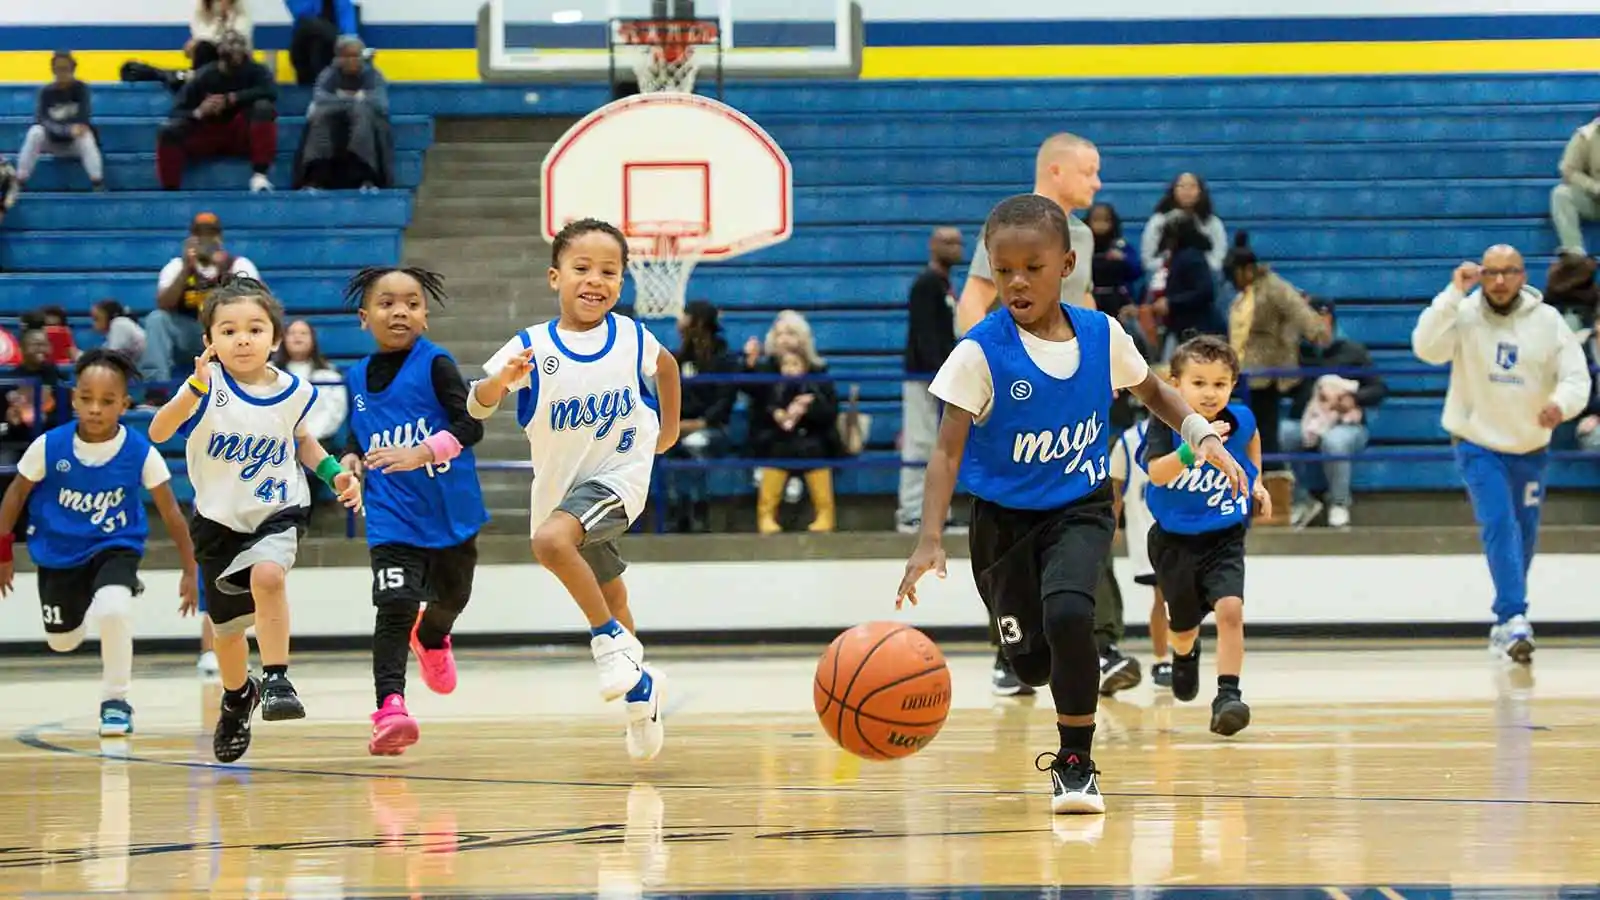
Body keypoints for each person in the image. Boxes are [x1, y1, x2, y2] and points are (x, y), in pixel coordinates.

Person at [896, 194, 1246, 815]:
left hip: (1080, 506)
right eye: (1003, 270)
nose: (1017, 281)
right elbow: (946, 454)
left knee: (1069, 616)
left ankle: (1076, 762)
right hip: (1002, 523)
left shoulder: (1103, 334)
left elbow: (1155, 392)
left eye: (1033, 266)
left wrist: (1200, 436)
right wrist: (929, 538)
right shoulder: (980, 352)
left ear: (1067, 264)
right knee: (1030, 664)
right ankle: (1033, 666)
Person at [467, 218, 682, 762]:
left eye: (609, 271)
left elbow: (669, 367)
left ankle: (608, 644)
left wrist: (670, 430)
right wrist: (499, 380)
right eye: (582, 268)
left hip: (618, 479)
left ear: (623, 280)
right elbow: (478, 404)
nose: (596, 280)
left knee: (550, 543)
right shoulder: (531, 347)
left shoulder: (632, 336)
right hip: (563, 491)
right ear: (554, 276)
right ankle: (641, 695)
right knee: (611, 592)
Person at [146, 275, 362, 763]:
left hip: (277, 510)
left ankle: (279, 678)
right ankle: (237, 694)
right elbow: (159, 431)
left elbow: (304, 443)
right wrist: (191, 390)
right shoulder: (204, 386)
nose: (242, 338)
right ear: (210, 342)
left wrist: (334, 476)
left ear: (275, 338)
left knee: (269, 575)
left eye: (254, 328)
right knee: (225, 634)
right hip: (217, 522)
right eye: (228, 330)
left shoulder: (293, 391)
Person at [0, 350, 199, 737]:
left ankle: (116, 702)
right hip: (58, 552)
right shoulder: (48, 446)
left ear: (124, 404)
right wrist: (4, 551)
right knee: (62, 643)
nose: (95, 409)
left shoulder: (140, 451)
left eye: (107, 401)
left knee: (113, 609)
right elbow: (14, 496)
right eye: (87, 399)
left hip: (115, 545)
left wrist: (191, 570)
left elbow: (174, 515)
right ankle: (86, 602)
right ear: (73, 399)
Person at [1411, 246, 1591, 664]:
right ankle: (1514, 617)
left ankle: (1503, 624)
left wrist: (1560, 405)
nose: (1498, 281)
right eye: (1491, 272)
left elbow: (1576, 376)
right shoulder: (1465, 313)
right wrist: (1452, 294)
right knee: (1500, 524)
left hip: (1530, 445)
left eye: (1508, 272)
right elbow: (1425, 347)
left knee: (1524, 535)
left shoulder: (1547, 321)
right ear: (1481, 274)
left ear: (1521, 274)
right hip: (1477, 442)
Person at [339, 266, 489, 757]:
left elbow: (472, 426)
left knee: (453, 598)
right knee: (393, 609)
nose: (399, 311)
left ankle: (434, 636)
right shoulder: (355, 378)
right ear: (365, 317)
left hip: (449, 513)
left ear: (424, 316)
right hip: (391, 518)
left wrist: (422, 453)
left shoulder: (435, 364)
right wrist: (349, 462)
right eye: (386, 303)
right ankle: (390, 708)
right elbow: (356, 437)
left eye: (411, 303)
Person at [1140, 336, 1268, 734]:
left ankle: (1228, 695)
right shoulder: (1164, 423)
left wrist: (1257, 481)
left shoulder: (1240, 419)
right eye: (1199, 383)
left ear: (1232, 384)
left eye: (1219, 383)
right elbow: (1155, 473)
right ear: (1175, 383)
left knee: (1231, 610)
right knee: (1183, 628)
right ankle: (1184, 653)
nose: (1210, 393)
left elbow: (1252, 440)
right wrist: (1186, 454)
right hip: (1174, 540)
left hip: (1223, 536)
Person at [956, 133, 1102, 334]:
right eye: (1088, 173)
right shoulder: (1011, 225)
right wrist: (988, 359)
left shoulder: (1083, 235)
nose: (1097, 183)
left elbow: (1083, 299)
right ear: (1056, 171)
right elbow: (972, 303)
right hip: (1015, 357)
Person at [156, 30, 278, 193]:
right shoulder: (204, 75)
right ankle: (170, 192)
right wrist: (199, 112)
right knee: (168, 131)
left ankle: (260, 176)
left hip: (241, 135)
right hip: (208, 132)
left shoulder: (257, 71)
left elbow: (271, 92)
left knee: (264, 108)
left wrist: (233, 98)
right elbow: (175, 112)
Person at [147, 212, 260, 385]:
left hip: (227, 334)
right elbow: (163, 304)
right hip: (189, 334)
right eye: (200, 235)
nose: (206, 240)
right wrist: (186, 269)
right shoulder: (177, 266)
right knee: (156, 320)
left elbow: (256, 306)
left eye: (211, 234)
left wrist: (224, 273)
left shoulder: (238, 265)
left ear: (220, 238)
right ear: (192, 239)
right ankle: (157, 389)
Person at [900, 226, 962, 535]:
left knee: (940, 445)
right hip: (924, 377)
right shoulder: (926, 285)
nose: (956, 247)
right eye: (948, 242)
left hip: (940, 378)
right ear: (932, 246)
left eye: (958, 243)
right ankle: (912, 511)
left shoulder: (944, 285)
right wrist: (940, 373)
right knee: (920, 442)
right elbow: (925, 335)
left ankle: (938, 513)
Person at [1109, 415, 1168, 686]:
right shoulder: (1129, 441)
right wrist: (1110, 526)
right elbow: (1115, 489)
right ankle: (1162, 660)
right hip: (1151, 533)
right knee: (1163, 597)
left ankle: (1178, 654)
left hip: (1192, 529)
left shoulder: (1195, 428)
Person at [295, 36, 393, 191]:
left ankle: (365, 177)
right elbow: (320, 98)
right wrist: (354, 99)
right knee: (320, 116)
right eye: (346, 56)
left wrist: (343, 98)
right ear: (338, 58)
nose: (351, 61)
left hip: (366, 123)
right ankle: (315, 178)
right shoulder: (328, 74)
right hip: (334, 123)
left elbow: (381, 103)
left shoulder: (374, 75)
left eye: (355, 56)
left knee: (362, 113)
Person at [14, 51, 103, 194]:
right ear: (53, 70)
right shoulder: (46, 92)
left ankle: (97, 182)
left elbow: (83, 118)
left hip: (74, 144)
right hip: (52, 142)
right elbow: (42, 120)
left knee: (86, 135)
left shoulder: (81, 89)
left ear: (73, 69)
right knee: (35, 132)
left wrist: (73, 130)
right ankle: (20, 180)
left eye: (65, 69)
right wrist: (66, 130)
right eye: (58, 69)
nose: (62, 73)